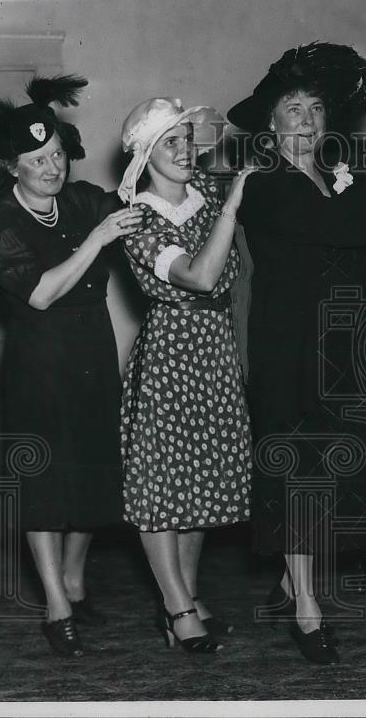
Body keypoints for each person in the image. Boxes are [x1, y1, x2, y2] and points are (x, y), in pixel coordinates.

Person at [229, 42, 366, 665]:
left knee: (330, 469)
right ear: (270, 124)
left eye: (315, 108)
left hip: (338, 347)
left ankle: (293, 580)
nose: (305, 118)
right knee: (296, 472)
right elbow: (356, 224)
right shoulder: (263, 182)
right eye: (292, 108)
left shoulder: (333, 176)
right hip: (288, 347)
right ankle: (307, 607)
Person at [0, 75, 141, 656]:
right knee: (43, 484)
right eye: (37, 159)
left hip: (91, 352)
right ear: (11, 167)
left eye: (57, 154)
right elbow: (39, 293)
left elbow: (136, 210)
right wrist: (95, 241)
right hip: (39, 361)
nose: (52, 167)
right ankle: (56, 606)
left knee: (91, 475)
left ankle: (75, 583)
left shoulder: (84, 200)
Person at [117, 97, 255, 654]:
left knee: (202, 483)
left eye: (188, 138)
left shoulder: (207, 193)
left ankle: (188, 597)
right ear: (146, 154)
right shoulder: (138, 218)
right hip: (171, 353)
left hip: (215, 349)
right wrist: (230, 211)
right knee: (160, 484)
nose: (185, 150)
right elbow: (199, 277)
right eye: (170, 142)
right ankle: (175, 606)